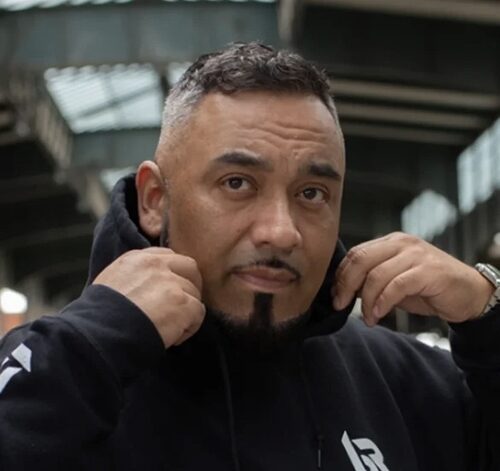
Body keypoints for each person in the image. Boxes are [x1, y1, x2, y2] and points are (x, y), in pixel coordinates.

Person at [0, 42, 498, 471]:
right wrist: (86, 348)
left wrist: (489, 319)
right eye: (237, 183)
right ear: (155, 200)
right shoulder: (63, 377)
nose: (281, 232)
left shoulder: (406, 386)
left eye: (312, 193)